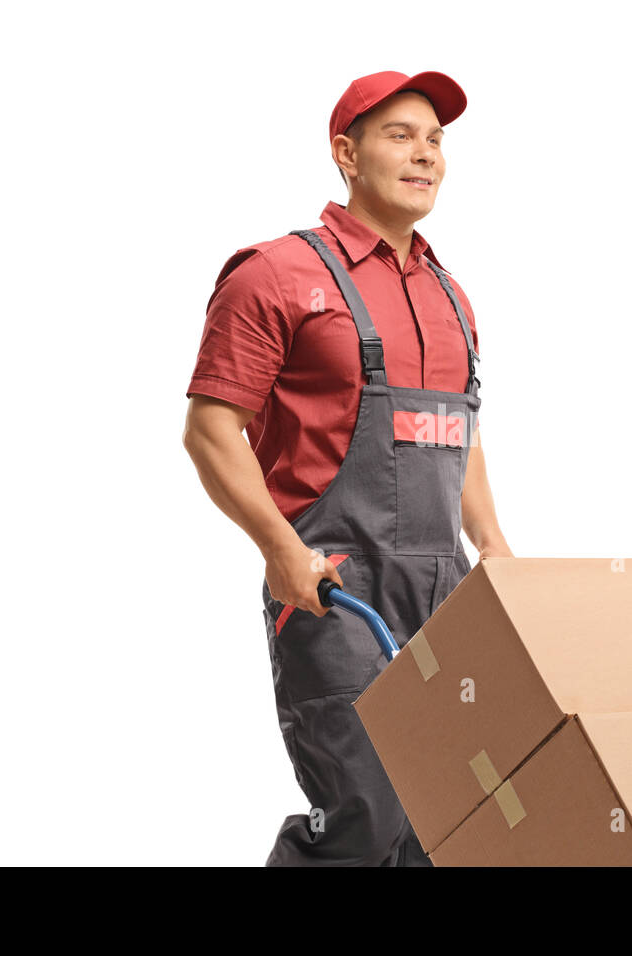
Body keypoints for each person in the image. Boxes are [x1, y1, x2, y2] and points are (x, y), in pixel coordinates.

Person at [181, 70, 513, 866]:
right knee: (370, 810)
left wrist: (495, 546)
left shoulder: (450, 296)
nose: (425, 155)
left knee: (452, 820)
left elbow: (455, 431)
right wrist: (281, 551)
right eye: (400, 135)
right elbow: (210, 429)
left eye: (436, 140)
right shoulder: (277, 274)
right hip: (334, 586)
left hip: (445, 591)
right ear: (346, 154)